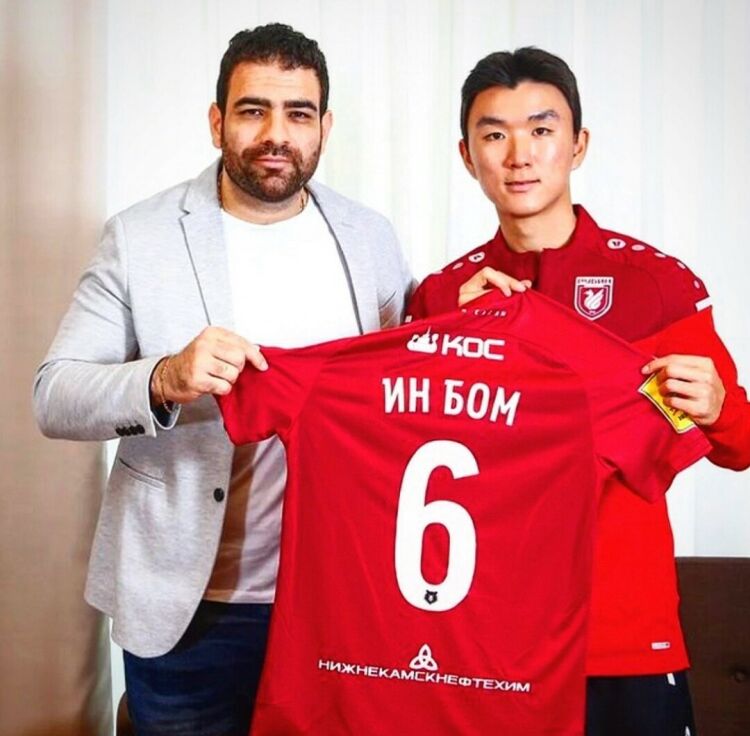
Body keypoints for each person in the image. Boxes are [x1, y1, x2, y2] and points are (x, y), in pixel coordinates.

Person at [34, 23, 412, 736]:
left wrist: (475, 312)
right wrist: (163, 378)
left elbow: (412, 376)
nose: (276, 135)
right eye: (252, 110)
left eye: (298, 114)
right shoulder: (139, 236)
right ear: (217, 122)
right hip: (189, 610)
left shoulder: (370, 239)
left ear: (325, 128)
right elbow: (54, 395)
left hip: (335, 600)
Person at [406, 47, 750, 736]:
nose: (519, 156)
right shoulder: (441, 297)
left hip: (625, 636)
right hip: (483, 635)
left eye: (541, 129)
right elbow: (409, 458)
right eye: (494, 134)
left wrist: (717, 408)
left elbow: (739, 446)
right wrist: (452, 339)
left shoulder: (657, 284)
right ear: (467, 156)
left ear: (578, 144)